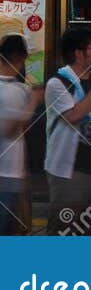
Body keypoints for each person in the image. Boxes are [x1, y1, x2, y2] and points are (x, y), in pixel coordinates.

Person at [44, 28, 91, 234]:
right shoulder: (57, 83)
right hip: (71, 172)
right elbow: (73, 116)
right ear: (78, 53)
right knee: (65, 228)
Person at [0, 35, 39, 235]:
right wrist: (33, 102)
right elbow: (10, 129)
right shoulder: (13, 90)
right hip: (8, 175)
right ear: (21, 57)